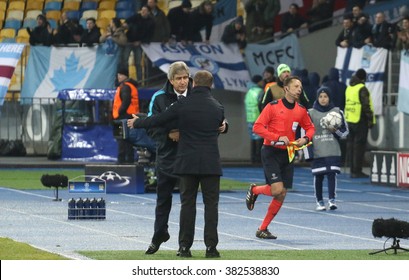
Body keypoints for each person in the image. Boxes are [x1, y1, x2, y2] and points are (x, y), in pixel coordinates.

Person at [127, 70, 228, 258]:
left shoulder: (182, 104)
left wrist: (138, 122)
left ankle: (184, 247)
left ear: (193, 84)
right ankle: (211, 248)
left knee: (187, 204)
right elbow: (219, 127)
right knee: (211, 206)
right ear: (210, 85)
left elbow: (158, 120)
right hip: (210, 163)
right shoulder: (217, 107)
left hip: (187, 162)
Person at [246, 76, 315, 239]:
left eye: (301, 86)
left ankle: (262, 228)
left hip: (288, 153)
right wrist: (276, 137)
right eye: (296, 86)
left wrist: (305, 139)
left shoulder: (301, 109)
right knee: (277, 189)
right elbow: (257, 127)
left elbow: (310, 128)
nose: (299, 89)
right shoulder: (272, 107)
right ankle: (254, 190)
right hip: (270, 151)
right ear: (286, 89)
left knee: (282, 193)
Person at [143, 61, 192, 255]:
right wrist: (167, 136)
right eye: (179, 79)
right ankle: (159, 234)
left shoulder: (197, 96)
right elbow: (149, 126)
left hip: (189, 157)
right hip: (166, 156)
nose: (183, 82)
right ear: (171, 80)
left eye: (185, 78)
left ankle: (184, 243)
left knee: (187, 203)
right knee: (163, 200)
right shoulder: (159, 98)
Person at [308, 86, 349, 211]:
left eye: (325, 96)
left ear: (329, 98)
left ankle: (332, 200)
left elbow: (345, 132)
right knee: (318, 176)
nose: (323, 99)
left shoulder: (337, 112)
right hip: (318, 150)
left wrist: (335, 130)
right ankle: (319, 201)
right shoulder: (310, 113)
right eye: (320, 96)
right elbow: (305, 132)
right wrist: (306, 151)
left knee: (332, 175)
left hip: (332, 149)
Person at [344, 68, 375, 178]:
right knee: (359, 146)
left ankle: (352, 169)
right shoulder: (362, 89)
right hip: (360, 120)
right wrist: (371, 120)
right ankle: (357, 171)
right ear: (363, 78)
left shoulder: (349, 88)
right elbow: (366, 105)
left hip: (349, 119)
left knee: (351, 145)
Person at [112, 68, 140, 164]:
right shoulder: (131, 86)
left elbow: (126, 102)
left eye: (120, 74)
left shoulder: (125, 87)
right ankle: (130, 160)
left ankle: (122, 161)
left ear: (125, 76)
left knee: (123, 139)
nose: (118, 77)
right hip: (132, 115)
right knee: (129, 139)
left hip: (124, 116)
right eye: (118, 75)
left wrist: (119, 112)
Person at [122, 5, 155, 80]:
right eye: (142, 10)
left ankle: (140, 81)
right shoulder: (136, 16)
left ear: (149, 12)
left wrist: (140, 42)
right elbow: (126, 21)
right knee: (124, 60)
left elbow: (150, 35)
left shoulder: (151, 22)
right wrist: (125, 24)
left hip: (139, 44)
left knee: (138, 63)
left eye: (145, 10)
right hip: (129, 41)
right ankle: (125, 79)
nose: (143, 12)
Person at [245, 75, 264, 164]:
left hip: (250, 118)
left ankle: (253, 158)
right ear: (258, 82)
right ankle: (259, 158)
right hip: (258, 117)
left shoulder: (249, 92)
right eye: (261, 81)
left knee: (252, 138)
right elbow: (261, 105)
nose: (263, 82)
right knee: (260, 138)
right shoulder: (260, 91)